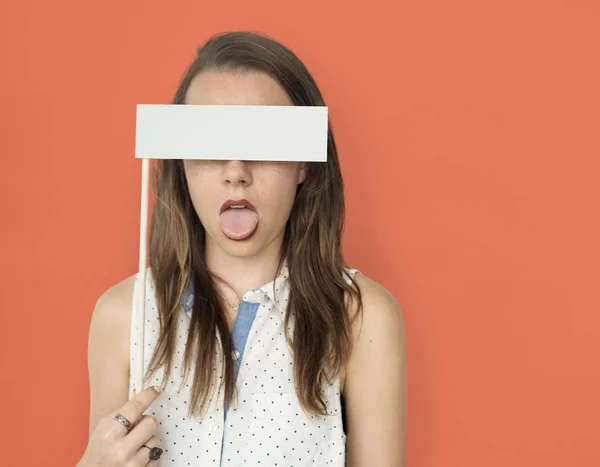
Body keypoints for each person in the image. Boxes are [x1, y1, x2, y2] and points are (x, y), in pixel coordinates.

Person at [77, 31, 406, 467]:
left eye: (264, 142)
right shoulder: (123, 315)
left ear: (304, 162)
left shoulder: (361, 316)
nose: (236, 172)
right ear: (180, 160)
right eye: (210, 144)